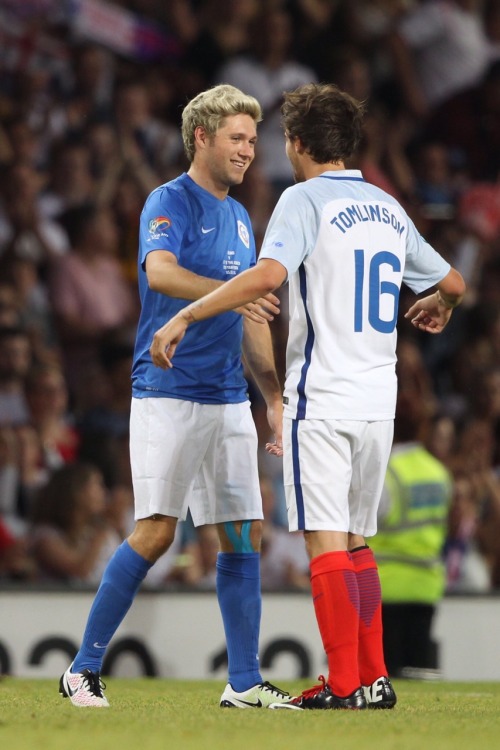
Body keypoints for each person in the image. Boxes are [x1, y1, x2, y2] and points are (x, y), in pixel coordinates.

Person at [150, 82, 466, 710]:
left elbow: (267, 277)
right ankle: (374, 679)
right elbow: (453, 279)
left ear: (296, 143)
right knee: (355, 541)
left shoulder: (302, 200)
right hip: (379, 401)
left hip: (321, 398)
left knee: (326, 543)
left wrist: (185, 316)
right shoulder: (386, 205)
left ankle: (345, 683)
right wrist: (442, 304)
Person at [58, 84, 291, 710]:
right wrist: (234, 289)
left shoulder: (243, 219)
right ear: (202, 137)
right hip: (167, 391)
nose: (249, 150)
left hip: (226, 399)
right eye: (238, 138)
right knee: (158, 531)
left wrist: (270, 395)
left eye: (251, 139)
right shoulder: (169, 201)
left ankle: (243, 681)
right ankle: (81, 668)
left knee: (243, 534)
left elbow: (251, 317)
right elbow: (158, 272)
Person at [369, 394, 452, 679]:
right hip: (426, 584)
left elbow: (370, 521)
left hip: (388, 584)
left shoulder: (388, 472)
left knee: (387, 672)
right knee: (418, 670)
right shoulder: (439, 473)